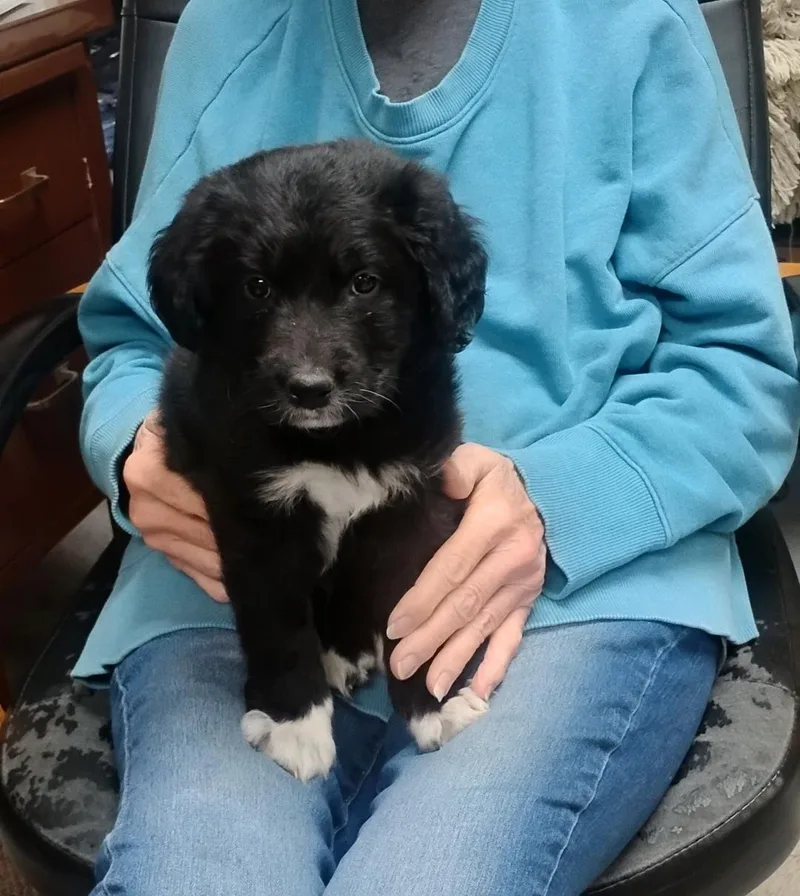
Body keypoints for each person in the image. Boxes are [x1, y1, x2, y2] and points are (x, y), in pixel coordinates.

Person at [75, 0, 800, 893]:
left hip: (562, 597)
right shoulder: (226, 23)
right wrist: (134, 451)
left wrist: (562, 500)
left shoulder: (633, 21)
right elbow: (134, 334)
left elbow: (746, 374)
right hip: (238, 578)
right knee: (196, 875)